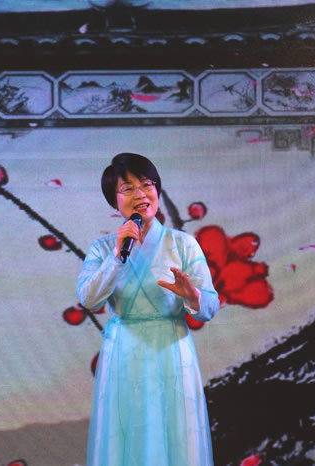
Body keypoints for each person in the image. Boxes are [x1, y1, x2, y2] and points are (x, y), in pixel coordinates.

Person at [77, 152, 220, 466]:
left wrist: (193, 296)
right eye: (127, 189)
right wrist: (116, 257)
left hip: (171, 347)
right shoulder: (103, 248)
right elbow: (88, 299)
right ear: (114, 201)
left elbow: (210, 306)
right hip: (123, 349)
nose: (140, 194)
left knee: (176, 435)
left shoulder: (183, 244)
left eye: (146, 185)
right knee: (124, 436)